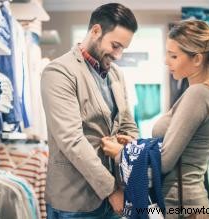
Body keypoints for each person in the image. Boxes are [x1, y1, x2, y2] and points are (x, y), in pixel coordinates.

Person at [101, 19, 209, 218]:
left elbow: (165, 161)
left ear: (197, 59)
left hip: (184, 207)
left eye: (173, 56)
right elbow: (175, 148)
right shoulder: (202, 93)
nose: (166, 61)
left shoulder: (198, 94)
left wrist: (122, 153)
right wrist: (135, 146)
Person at [40, 3, 139, 219]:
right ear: (95, 31)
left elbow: (128, 123)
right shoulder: (59, 72)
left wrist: (130, 142)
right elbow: (71, 140)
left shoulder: (116, 75)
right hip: (75, 201)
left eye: (123, 48)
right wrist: (111, 189)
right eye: (115, 45)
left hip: (114, 197)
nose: (119, 55)